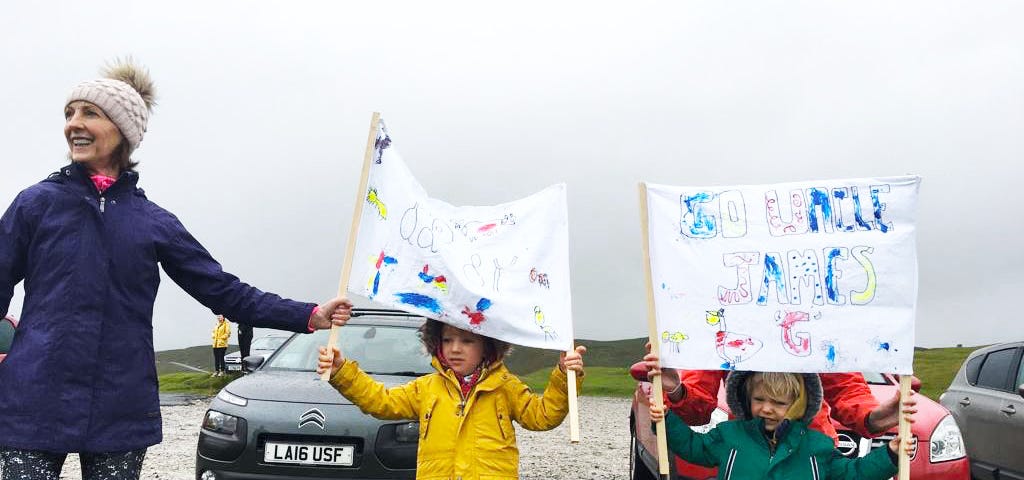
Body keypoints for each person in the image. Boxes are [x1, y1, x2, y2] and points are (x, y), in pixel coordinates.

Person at [0, 58, 353, 480]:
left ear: (123, 131)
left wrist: (308, 314)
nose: (73, 123)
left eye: (89, 112)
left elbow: (223, 291)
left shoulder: (153, 222)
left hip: (121, 404)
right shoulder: (35, 204)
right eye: (69, 113)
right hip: (34, 399)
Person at [316, 319, 587, 479]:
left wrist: (564, 375)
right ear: (438, 344)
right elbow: (380, 401)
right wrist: (342, 371)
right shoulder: (427, 388)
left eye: (467, 341)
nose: (455, 348)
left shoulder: (505, 387)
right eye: (447, 340)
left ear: (487, 346)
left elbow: (542, 416)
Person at [649, 371, 918, 480]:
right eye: (759, 400)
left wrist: (887, 447)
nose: (767, 408)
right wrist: (670, 407)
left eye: (778, 402)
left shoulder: (817, 449)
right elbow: (693, 443)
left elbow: (854, 474)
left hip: (809, 443)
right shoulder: (725, 310)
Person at [641, 347, 917, 443]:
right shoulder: (721, 319)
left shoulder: (815, 314)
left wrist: (873, 418)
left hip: (810, 444)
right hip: (747, 445)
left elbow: (846, 387)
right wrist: (675, 391)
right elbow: (696, 411)